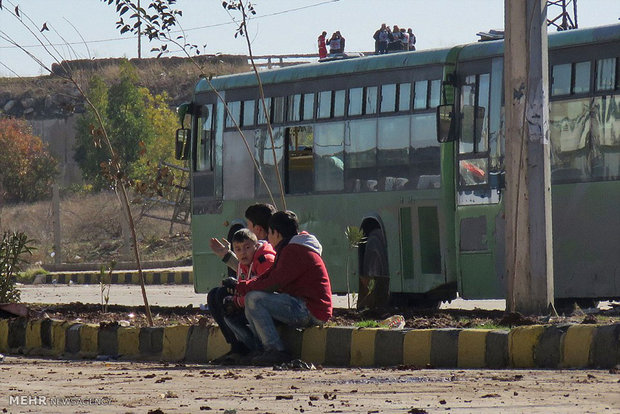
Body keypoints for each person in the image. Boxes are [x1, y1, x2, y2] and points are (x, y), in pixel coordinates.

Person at [232, 210, 333, 366]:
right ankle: (262, 350)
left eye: (270, 233)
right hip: (302, 305)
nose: (268, 238)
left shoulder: (294, 250)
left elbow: (273, 282)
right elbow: (269, 275)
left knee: (253, 299)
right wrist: (241, 286)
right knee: (250, 299)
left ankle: (276, 351)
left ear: (276, 233)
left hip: (310, 310)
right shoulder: (290, 248)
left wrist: (243, 288)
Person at [207, 228, 276, 364]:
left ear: (256, 246)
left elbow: (265, 292)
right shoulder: (243, 264)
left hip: (265, 306)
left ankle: (254, 349)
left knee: (231, 313)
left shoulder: (265, 261)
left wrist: (237, 301)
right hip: (250, 302)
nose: (243, 252)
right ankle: (236, 347)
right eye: (238, 249)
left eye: (247, 247)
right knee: (216, 294)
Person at [210, 203, 276, 271]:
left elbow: (252, 276)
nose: (246, 228)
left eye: (248, 225)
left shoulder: (266, 259)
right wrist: (227, 255)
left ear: (258, 229)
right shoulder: (269, 249)